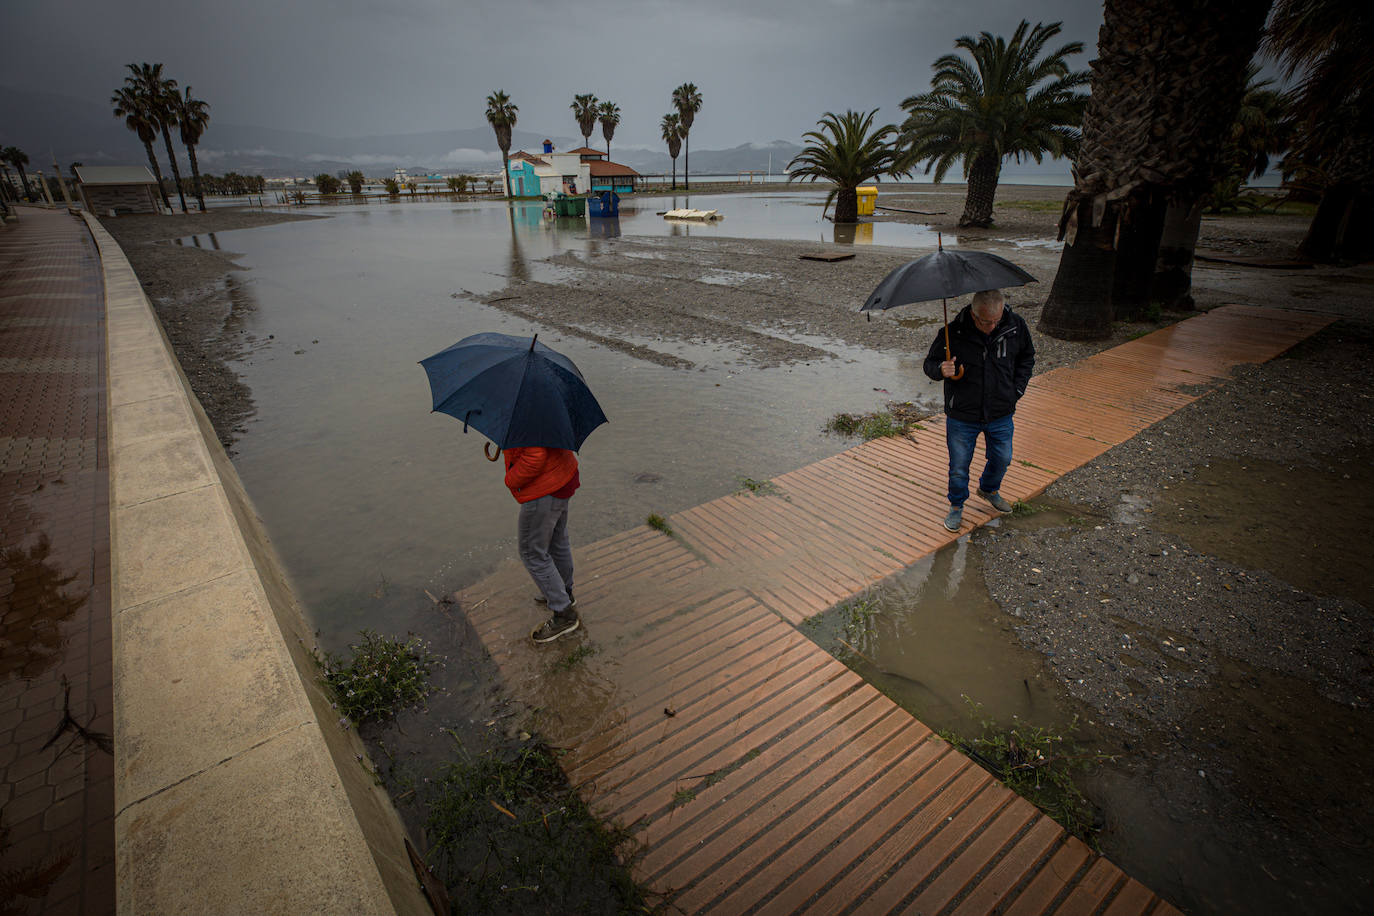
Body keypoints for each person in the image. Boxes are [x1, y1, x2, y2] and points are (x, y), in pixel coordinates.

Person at [922, 288, 1035, 532]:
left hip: (1001, 410)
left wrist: (1016, 391)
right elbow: (929, 364)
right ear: (974, 316)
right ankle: (956, 506)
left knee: (1002, 458)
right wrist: (941, 369)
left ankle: (989, 489)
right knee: (959, 466)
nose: (993, 326)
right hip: (963, 413)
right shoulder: (952, 333)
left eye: (997, 320)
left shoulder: (1015, 326)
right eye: (986, 322)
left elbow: (1027, 358)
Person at [503, 445, 581, 642]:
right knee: (557, 541)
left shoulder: (525, 415)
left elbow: (535, 455)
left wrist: (510, 478)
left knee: (532, 553)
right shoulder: (546, 414)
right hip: (562, 476)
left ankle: (563, 613)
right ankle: (565, 593)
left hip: (544, 489)